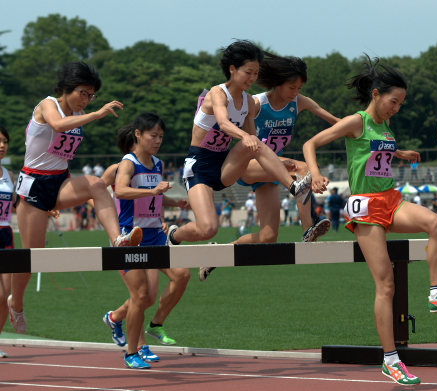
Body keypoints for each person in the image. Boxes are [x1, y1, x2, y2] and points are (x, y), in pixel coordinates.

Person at [303, 55, 437, 386]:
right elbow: (311, 143)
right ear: (376, 94)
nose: (397, 108)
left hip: (390, 198)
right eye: (394, 101)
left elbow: (375, 153)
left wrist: (399, 152)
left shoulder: (384, 127)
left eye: (401, 103)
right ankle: (391, 360)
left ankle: (436, 293)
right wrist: (316, 173)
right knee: (386, 284)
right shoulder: (356, 121)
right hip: (365, 206)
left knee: (436, 223)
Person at [10, 62, 142, 336]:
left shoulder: (79, 114)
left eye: (91, 95)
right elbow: (57, 125)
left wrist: (67, 195)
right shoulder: (48, 105)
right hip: (34, 185)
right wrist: (95, 114)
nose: (86, 99)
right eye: (83, 93)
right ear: (68, 88)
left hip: (59, 180)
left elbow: (62, 155)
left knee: (96, 184)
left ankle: (118, 240)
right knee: (31, 258)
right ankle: (17, 302)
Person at [164, 41, 311, 252]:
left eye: (256, 73)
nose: (252, 78)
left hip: (225, 166)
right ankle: (174, 234)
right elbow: (223, 122)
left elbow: (254, 143)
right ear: (232, 69)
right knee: (208, 229)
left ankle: (294, 187)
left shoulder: (249, 102)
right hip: (200, 167)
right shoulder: (217, 93)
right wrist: (245, 136)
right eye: (248, 72)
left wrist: (276, 159)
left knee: (253, 144)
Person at [102, 114, 191, 369]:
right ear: (138, 134)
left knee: (180, 275)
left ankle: (124, 319)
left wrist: (177, 201)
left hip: (155, 235)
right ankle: (132, 351)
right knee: (141, 296)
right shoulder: (128, 164)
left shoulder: (158, 164)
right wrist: (153, 191)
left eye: (161, 136)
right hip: (131, 237)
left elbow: (155, 199)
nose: (158, 140)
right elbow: (119, 191)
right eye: (153, 135)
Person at [233, 52, 338, 245]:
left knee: (268, 237)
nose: (295, 92)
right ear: (278, 83)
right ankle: (308, 229)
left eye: (299, 88)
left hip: (272, 172)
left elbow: (338, 123)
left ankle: (219, 253)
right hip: (249, 165)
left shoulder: (299, 102)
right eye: (291, 87)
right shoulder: (256, 104)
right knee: (301, 168)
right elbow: (229, 126)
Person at [0, 126, 16, 358]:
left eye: (4, 142)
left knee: (5, 295)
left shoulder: (9, 175)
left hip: (5, 234)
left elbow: (17, 205)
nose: (1, 145)